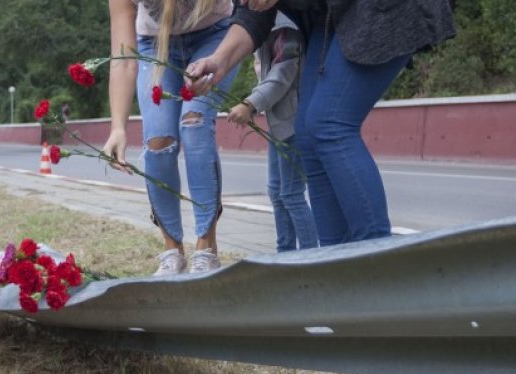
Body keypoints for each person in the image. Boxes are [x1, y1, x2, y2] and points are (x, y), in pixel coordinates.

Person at [186, 0, 456, 246]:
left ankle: (375, 261)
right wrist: (219, 60)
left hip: (380, 9)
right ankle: (333, 262)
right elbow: (253, 13)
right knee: (306, 132)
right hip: (331, 16)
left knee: (330, 124)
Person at [102, 0, 241, 275]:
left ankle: (206, 249)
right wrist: (117, 126)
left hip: (215, 35)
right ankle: (172, 252)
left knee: (194, 122)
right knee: (158, 143)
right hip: (156, 46)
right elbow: (124, 60)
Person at [227, 12, 318, 252]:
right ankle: (284, 253)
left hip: (291, 122)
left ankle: (311, 255)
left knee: (291, 194)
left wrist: (251, 103)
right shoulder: (269, 25)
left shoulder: (284, 26)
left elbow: (283, 73)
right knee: (277, 192)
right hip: (280, 122)